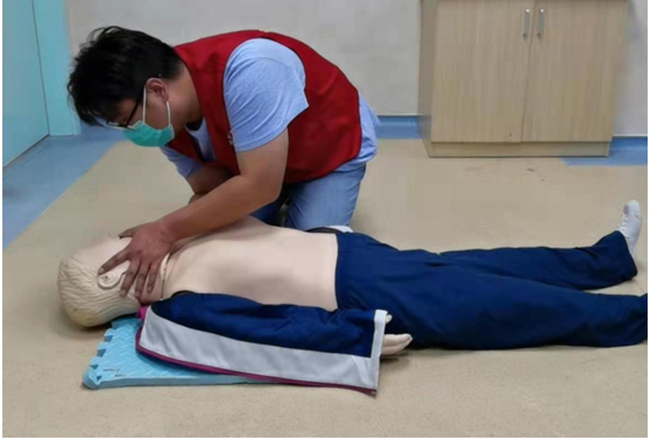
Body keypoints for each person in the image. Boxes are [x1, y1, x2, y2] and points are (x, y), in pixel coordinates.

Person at [59, 201, 647, 350]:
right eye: (113, 249)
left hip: (358, 256)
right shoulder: (181, 303)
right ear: (116, 280)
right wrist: (358, 335)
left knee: (491, 263)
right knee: (507, 302)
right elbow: (272, 329)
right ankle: (635, 316)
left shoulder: (182, 240)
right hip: (364, 292)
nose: (124, 237)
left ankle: (607, 258)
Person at [66, 26, 379, 299]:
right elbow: (208, 187)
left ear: (157, 90)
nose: (132, 132)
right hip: (258, 168)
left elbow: (261, 187)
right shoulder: (166, 119)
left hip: (329, 150)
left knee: (312, 264)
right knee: (219, 247)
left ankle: (297, 195)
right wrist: (188, 234)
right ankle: (276, 192)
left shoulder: (251, 70)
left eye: (127, 121)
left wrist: (165, 230)